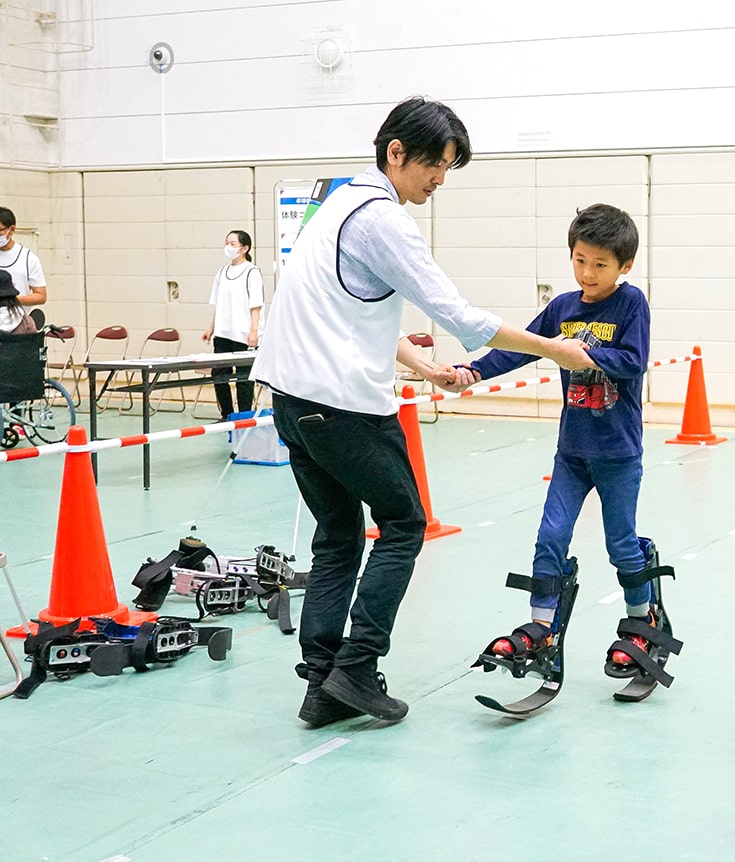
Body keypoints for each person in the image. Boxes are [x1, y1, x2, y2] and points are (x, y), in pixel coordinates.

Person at [250, 97, 594, 728]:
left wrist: (425, 368)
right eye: (435, 163)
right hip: (344, 404)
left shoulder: (339, 206)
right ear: (396, 152)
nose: (440, 178)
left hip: (292, 402)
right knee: (404, 524)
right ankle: (356, 669)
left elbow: (351, 313)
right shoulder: (383, 218)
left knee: (338, 536)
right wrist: (553, 350)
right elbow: (458, 315)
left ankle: (322, 682)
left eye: (449, 166)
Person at [447, 204, 663, 679]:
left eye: (601, 265)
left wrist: (581, 353)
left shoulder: (631, 305)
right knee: (550, 536)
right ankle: (542, 626)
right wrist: (472, 371)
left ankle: (641, 620)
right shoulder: (564, 307)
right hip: (572, 453)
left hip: (618, 454)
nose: (588, 272)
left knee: (620, 543)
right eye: (580, 260)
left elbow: (633, 359)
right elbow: (520, 346)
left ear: (624, 266)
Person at [202, 230, 263, 420]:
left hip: (244, 334)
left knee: (244, 379)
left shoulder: (252, 272)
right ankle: (226, 414)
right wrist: (211, 328)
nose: (228, 246)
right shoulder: (222, 272)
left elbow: (256, 305)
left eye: (233, 243)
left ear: (245, 248)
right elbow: (218, 303)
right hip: (223, 334)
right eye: (226, 242)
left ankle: (244, 416)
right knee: (219, 376)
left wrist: (253, 331)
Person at [0, 207, 48, 309]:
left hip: (17, 321)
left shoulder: (28, 258)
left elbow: (41, 295)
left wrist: (12, 301)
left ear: (11, 230)